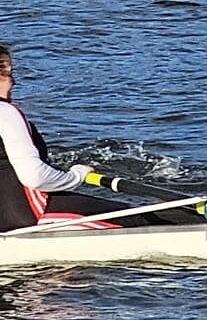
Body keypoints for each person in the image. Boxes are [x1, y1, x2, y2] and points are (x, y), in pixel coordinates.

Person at [0, 44, 156, 232]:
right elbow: (35, 177)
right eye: (7, 73)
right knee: (142, 219)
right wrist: (76, 176)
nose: (13, 82)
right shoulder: (6, 112)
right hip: (26, 216)